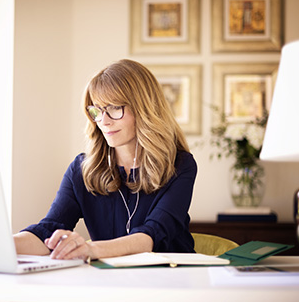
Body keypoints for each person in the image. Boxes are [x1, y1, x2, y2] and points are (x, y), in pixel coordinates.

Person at [13, 59, 197, 261]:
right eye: (97, 110)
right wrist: (2, 244)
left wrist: (90, 249)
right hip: (109, 283)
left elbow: (152, 235)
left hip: (171, 279)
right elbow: (48, 231)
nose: (104, 120)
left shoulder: (179, 165)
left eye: (115, 108)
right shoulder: (82, 169)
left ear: (144, 108)